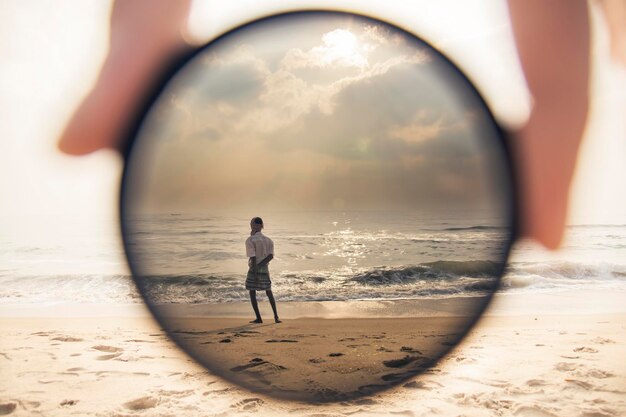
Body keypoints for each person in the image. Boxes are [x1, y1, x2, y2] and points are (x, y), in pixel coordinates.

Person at [245, 217, 281, 324]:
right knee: (268, 291)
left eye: (251, 224)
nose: (251, 226)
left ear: (256, 226)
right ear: (262, 226)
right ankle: (276, 317)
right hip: (265, 267)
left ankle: (259, 318)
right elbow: (270, 256)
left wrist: (255, 270)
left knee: (252, 291)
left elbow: (253, 256)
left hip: (254, 267)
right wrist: (261, 266)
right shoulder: (269, 240)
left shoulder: (250, 240)